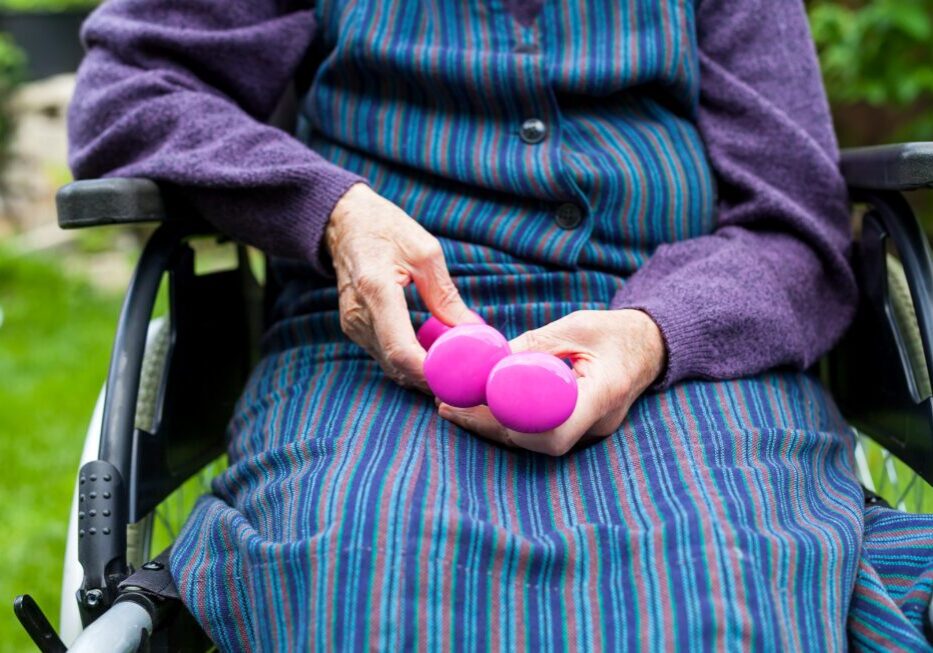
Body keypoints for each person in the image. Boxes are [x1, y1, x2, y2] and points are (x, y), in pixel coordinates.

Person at [68, 0, 933, 650]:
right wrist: (332, 213)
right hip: (370, 342)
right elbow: (133, 92)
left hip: (679, 340)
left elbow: (792, 223)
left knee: (720, 578)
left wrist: (651, 331)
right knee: (366, 572)